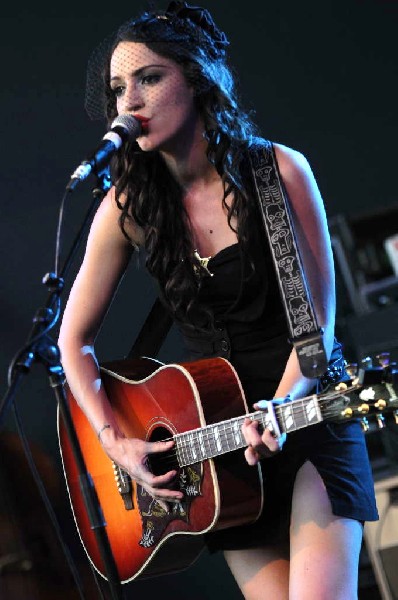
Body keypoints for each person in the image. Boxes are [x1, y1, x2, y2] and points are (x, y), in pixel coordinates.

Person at [58, 2, 378, 598]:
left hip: (305, 412)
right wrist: (117, 443)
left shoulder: (276, 171)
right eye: (118, 88)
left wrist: (280, 410)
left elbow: (316, 332)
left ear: (198, 78)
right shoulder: (127, 207)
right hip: (217, 445)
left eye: (149, 78)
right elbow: (70, 341)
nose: (129, 102)